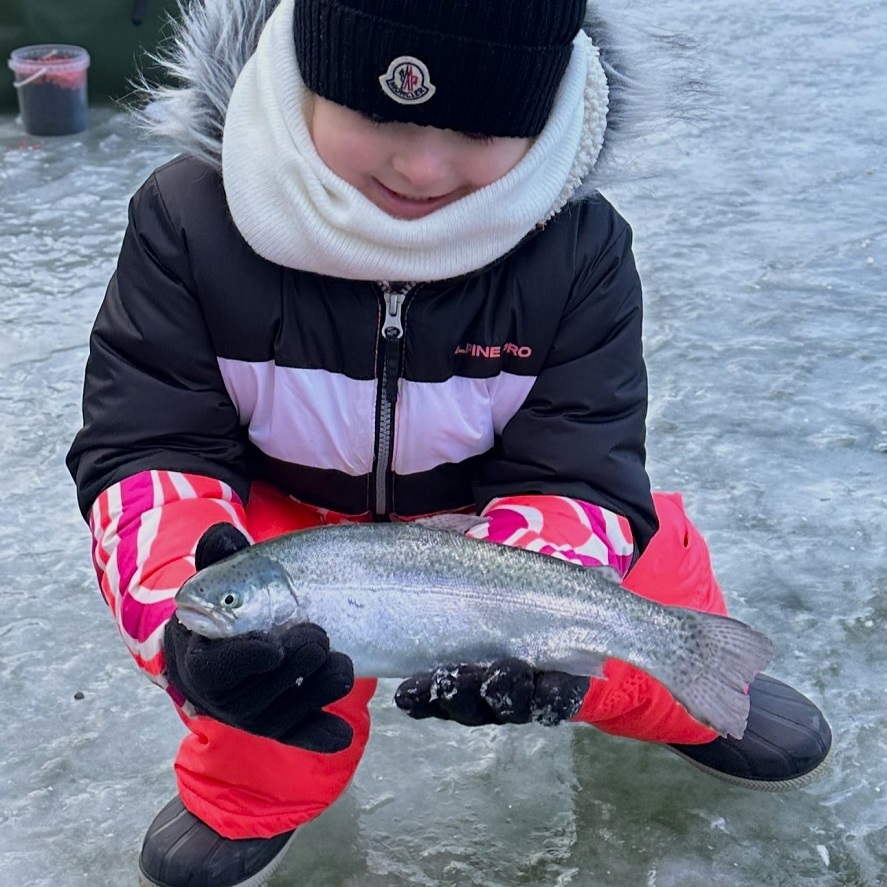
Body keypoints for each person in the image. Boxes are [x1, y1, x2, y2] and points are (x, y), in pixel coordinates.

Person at [66, 0, 832, 885]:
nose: (421, 166)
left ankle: (694, 697)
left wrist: (537, 607)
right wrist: (180, 636)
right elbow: (150, 449)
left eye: (477, 130)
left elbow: (577, 465)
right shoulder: (186, 220)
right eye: (379, 110)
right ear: (305, 79)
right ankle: (249, 793)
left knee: (641, 601)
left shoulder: (579, 250)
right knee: (250, 673)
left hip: (500, 528)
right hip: (288, 521)